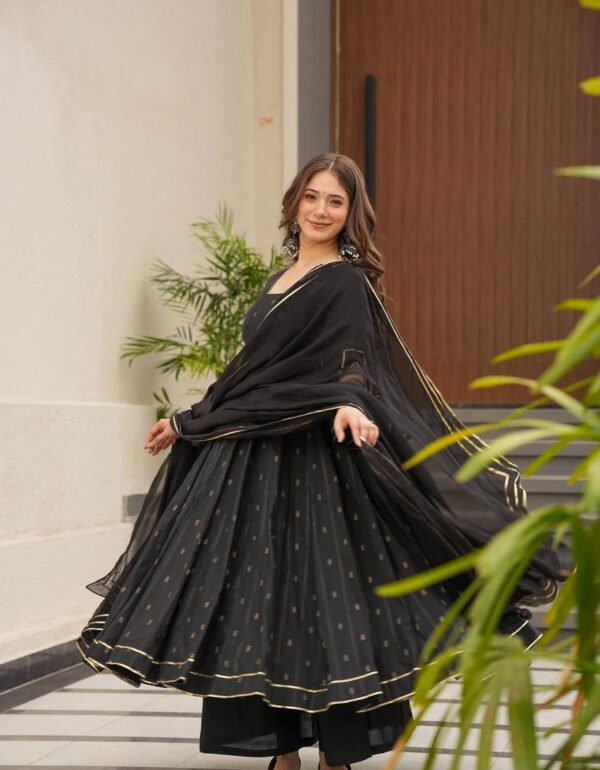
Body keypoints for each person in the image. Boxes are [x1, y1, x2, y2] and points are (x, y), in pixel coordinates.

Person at [76, 153, 567, 770]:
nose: (320, 210)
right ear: (294, 203)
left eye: (335, 201)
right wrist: (188, 421)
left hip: (317, 465)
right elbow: (250, 373)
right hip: (253, 464)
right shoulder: (281, 278)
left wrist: (348, 402)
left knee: (330, 604)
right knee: (256, 604)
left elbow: (354, 360)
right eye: (312, 197)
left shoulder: (344, 281)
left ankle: (338, 753)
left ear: (350, 214)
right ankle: (282, 751)